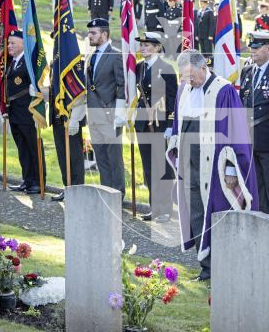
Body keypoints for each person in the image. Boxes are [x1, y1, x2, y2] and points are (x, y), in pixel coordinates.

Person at [166, 49, 258, 281]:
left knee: (217, 214)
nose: (188, 81)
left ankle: (225, 266)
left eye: (190, 76)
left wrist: (230, 169)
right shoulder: (184, 90)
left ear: (203, 67)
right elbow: (178, 125)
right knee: (195, 212)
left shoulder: (224, 91)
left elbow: (236, 132)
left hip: (215, 166)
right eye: (184, 77)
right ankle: (206, 267)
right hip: (189, 163)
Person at [239, 31, 269, 221]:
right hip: (249, 138)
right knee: (255, 185)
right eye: (252, 48)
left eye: (257, 48)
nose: (253, 51)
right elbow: (242, 102)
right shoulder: (247, 71)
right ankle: (260, 223)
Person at [135, 32, 177, 222]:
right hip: (143, 123)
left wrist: (170, 125)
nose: (143, 48)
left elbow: (172, 100)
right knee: (148, 168)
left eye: (147, 45)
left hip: (160, 125)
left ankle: (166, 209)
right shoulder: (139, 67)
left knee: (162, 168)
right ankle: (155, 208)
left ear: (157, 47)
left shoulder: (166, 69)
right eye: (141, 45)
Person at [86, 18, 126, 196]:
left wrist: (120, 112)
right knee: (100, 156)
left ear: (105, 34)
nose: (90, 36)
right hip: (93, 115)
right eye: (89, 33)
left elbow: (121, 85)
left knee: (114, 157)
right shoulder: (91, 56)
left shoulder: (115, 55)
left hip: (109, 114)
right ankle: (105, 191)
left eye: (93, 33)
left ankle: (117, 193)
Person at [4, 30, 46, 194]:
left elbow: (38, 84)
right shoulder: (12, 62)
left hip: (28, 112)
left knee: (33, 147)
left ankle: (38, 181)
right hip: (14, 112)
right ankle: (27, 180)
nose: (9, 46)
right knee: (22, 148)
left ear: (23, 44)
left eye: (13, 43)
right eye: (9, 43)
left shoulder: (29, 62)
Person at [48, 53, 86, 202]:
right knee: (62, 155)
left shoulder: (75, 63)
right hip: (57, 117)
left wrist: (76, 118)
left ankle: (77, 189)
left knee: (74, 156)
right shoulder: (55, 63)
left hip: (70, 118)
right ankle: (68, 187)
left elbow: (81, 94)